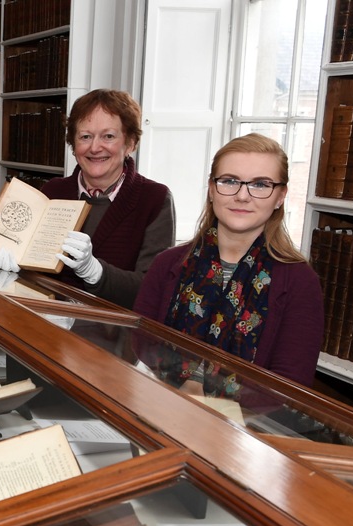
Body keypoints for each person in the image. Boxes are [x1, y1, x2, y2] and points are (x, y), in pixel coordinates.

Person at [134, 133, 324, 390]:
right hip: (157, 406)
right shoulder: (166, 264)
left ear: (281, 197)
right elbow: (138, 348)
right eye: (230, 181)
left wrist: (209, 404)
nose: (242, 196)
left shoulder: (300, 282)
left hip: (243, 426)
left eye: (260, 184)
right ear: (212, 189)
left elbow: (289, 389)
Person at [0, 89, 175, 309]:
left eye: (108, 136)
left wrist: (96, 272)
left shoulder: (155, 199)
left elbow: (152, 291)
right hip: (47, 324)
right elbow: (36, 274)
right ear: (73, 145)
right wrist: (12, 267)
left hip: (112, 336)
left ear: (131, 143)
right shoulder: (52, 192)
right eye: (85, 136)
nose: (95, 147)